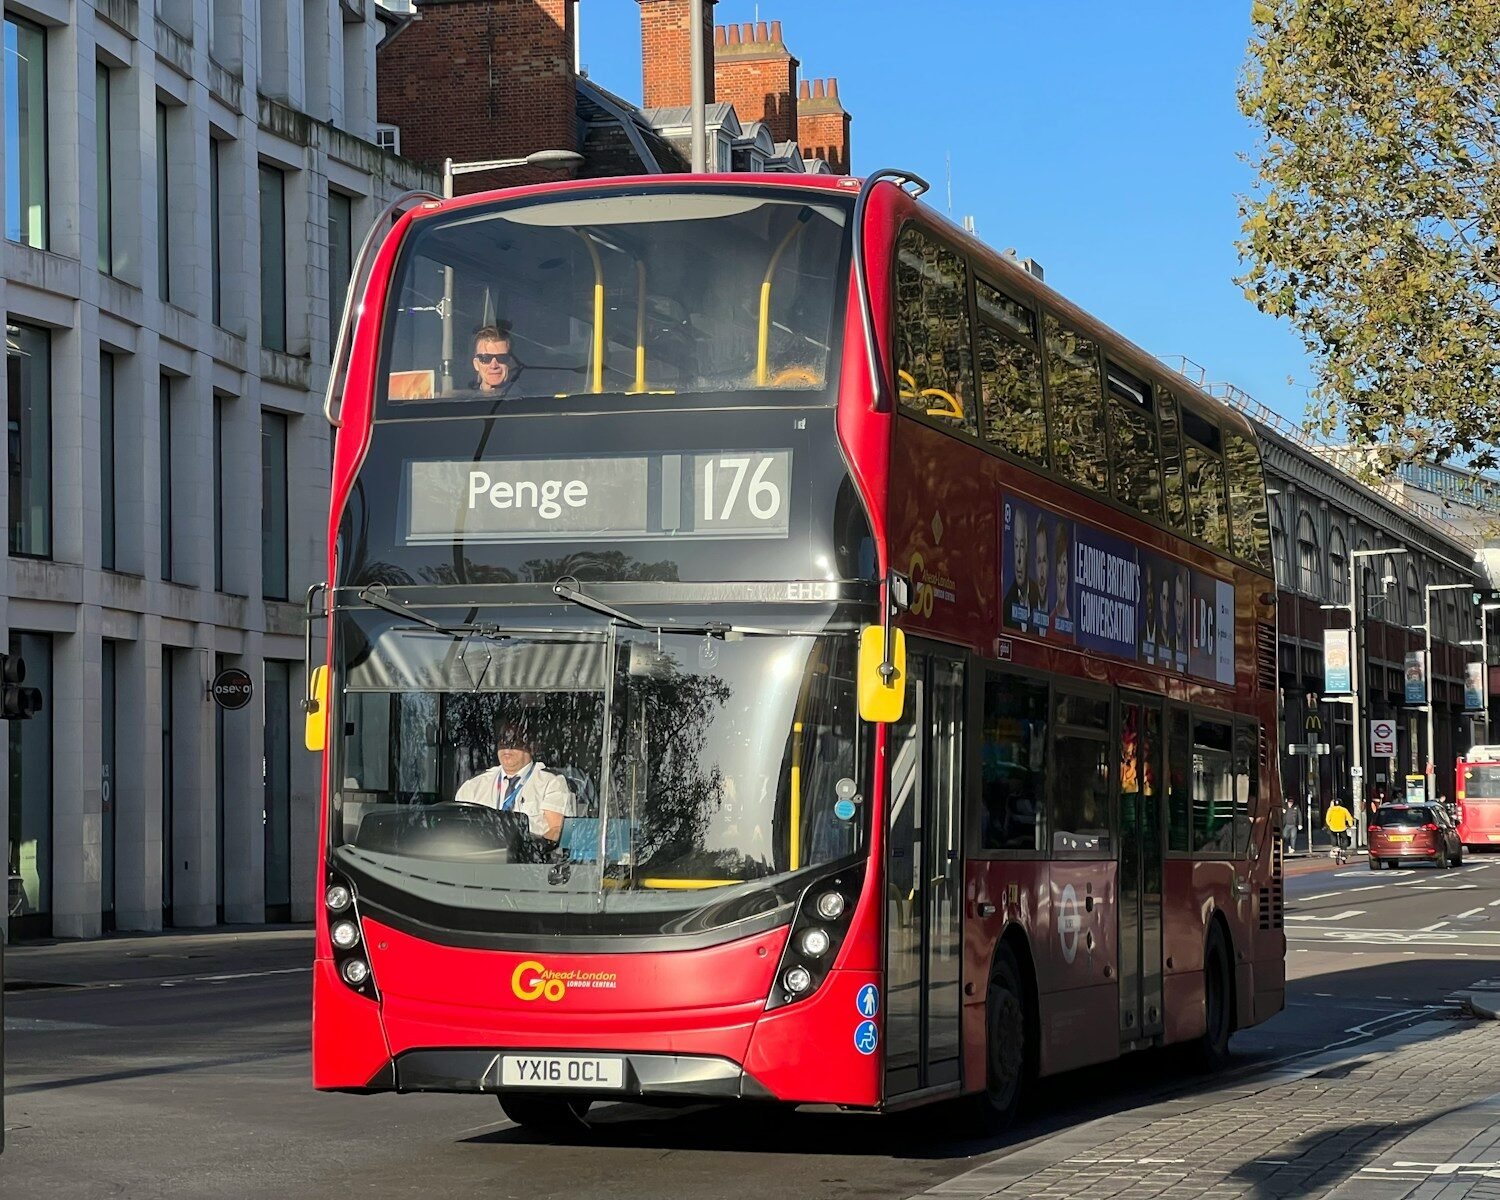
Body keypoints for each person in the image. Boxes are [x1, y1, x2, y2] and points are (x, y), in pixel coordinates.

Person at [454, 716, 576, 844]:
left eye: (516, 741)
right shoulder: (473, 786)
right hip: (480, 860)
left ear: (533, 747)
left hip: (530, 861)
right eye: (502, 741)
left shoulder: (551, 783)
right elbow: (458, 832)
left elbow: (557, 831)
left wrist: (531, 852)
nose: (508, 747)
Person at [1002, 510, 1035, 631]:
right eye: (1016, 546)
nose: (1019, 558)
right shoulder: (1005, 608)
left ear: (1029, 550)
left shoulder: (1038, 600)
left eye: (1022, 545)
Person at [471, 323, 518, 394]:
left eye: (502, 357)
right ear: (476, 364)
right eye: (486, 358)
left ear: (511, 362)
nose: (494, 365)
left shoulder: (528, 401)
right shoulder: (464, 402)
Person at [1051, 524, 1073, 637]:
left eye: (1064, 563)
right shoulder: (1048, 626)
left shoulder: (1077, 631)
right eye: (1059, 563)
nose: (1062, 574)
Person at [1325, 794, 1354, 862]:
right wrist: (1350, 825)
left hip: (1333, 828)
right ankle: (1343, 850)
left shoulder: (1330, 810)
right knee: (1345, 839)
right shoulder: (1344, 810)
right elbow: (1349, 818)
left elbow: (1327, 819)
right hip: (1342, 827)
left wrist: (1330, 825)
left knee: (1333, 837)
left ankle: (1335, 848)